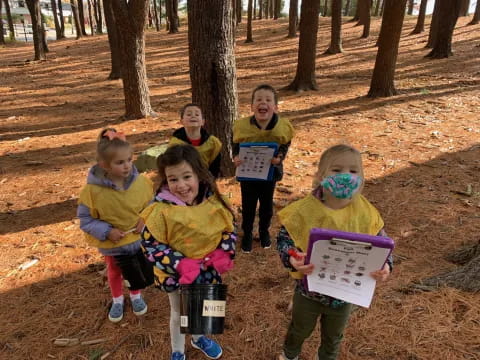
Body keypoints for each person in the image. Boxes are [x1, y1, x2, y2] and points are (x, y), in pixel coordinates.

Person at [276, 144, 393, 360]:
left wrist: (386, 266)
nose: (346, 177)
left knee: (333, 336)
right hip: (307, 291)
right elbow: (284, 240)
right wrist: (293, 258)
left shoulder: (366, 213)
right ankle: (290, 354)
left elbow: (383, 245)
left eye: (353, 171)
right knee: (299, 329)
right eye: (337, 170)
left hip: (343, 296)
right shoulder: (304, 210)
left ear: (362, 176)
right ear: (321, 175)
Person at [141, 144, 236, 360]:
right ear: (166, 180)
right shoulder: (161, 211)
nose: (181, 185)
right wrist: (179, 264)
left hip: (208, 270)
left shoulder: (215, 202)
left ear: (199, 175)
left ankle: (198, 336)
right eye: (173, 179)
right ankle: (178, 350)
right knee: (179, 313)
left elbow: (229, 229)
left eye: (187, 177)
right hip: (177, 275)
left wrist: (224, 252)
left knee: (204, 307)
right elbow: (150, 244)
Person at [77, 128, 154, 323]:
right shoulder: (92, 191)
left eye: (129, 159)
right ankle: (117, 299)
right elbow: (86, 219)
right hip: (113, 244)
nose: (127, 166)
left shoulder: (141, 183)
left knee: (135, 267)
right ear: (104, 165)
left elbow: (152, 205)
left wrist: (144, 220)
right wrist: (107, 231)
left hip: (136, 239)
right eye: (120, 162)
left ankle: (136, 295)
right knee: (115, 270)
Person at [232, 84, 294, 252]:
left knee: (266, 206)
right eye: (258, 99)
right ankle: (247, 234)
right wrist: (236, 157)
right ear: (252, 106)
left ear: (275, 106)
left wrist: (279, 157)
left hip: (269, 174)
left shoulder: (282, 127)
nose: (263, 102)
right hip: (248, 175)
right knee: (248, 206)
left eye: (268, 100)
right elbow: (236, 144)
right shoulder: (242, 126)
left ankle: (264, 231)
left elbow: (285, 144)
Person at [169, 103, 222, 178]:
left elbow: (215, 166)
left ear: (203, 122)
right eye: (189, 114)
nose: (193, 116)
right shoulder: (175, 143)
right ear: (182, 121)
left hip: (205, 180)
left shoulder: (213, 142)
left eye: (197, 114)